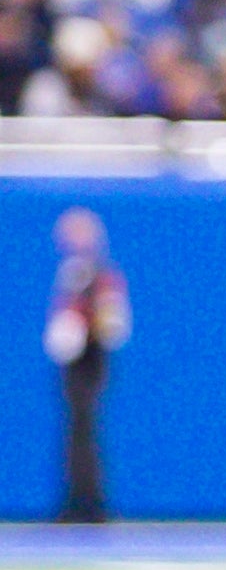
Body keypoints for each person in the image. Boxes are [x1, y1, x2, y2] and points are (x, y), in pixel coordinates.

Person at [42, 207, 127, 523]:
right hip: (74, 362)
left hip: (90, 360)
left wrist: (86, 329)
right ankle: (77, 499)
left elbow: (112, 322)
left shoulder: (101, 275)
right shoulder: (72, 272)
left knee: (85, 428)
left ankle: (90, 502)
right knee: (75, 430)